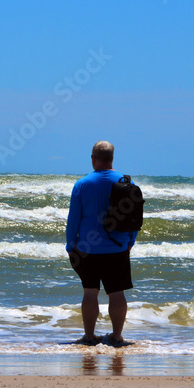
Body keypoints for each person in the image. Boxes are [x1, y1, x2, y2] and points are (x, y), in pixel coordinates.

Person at [65, 141, 138, 347]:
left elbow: (73, 219)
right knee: (117, 293)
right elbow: (134, 218)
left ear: (93, 159)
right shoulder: (126, 182)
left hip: (87, 248)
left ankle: (89, 337)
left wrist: (71, 245)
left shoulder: (82, 184)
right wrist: (130, 241)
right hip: (117, 247)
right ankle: (116, 337)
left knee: (90, 292)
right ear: (112, 158)